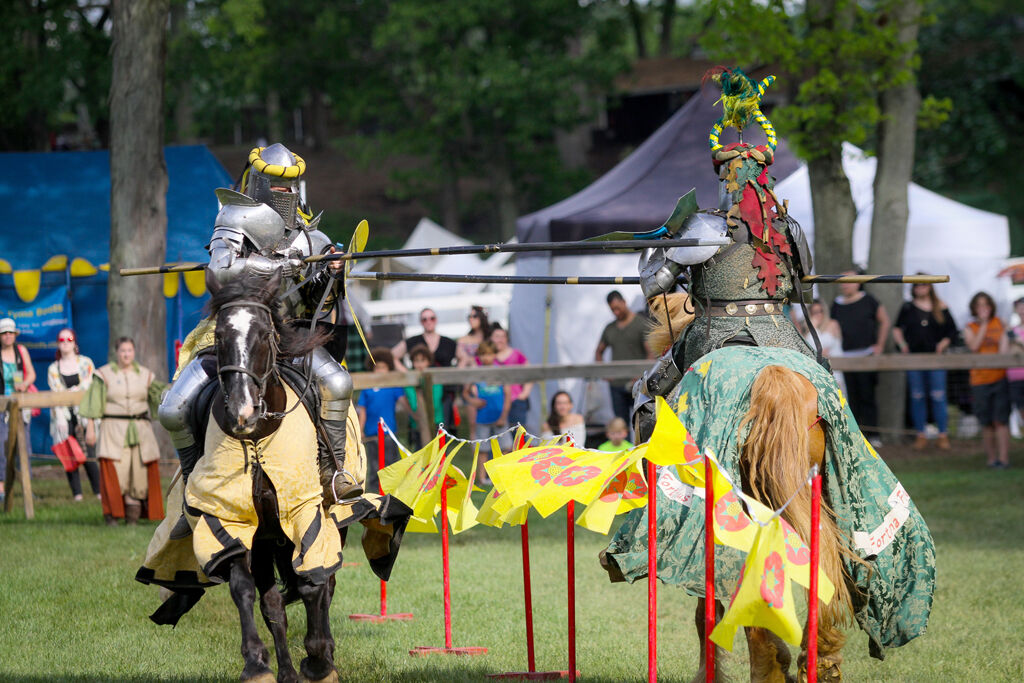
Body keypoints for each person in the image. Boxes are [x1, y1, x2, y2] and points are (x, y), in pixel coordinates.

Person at [158, 143, 358, 500]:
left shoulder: (312, 237)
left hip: (290, 335)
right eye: (281, 186)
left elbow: (317, 304)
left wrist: (331, 273)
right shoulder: (234, 221)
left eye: (293, 186)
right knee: (174, 409)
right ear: (262, 184)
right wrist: (279, 266)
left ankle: (334, 472)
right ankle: (192, 480)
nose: (289, 193)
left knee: (339, 384)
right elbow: (220, 273)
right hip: (238, 332)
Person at [80, 337, 165, 525]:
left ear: (134, 352)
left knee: (138, 474)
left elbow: (161, 396)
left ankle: (132, 518)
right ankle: (112, 515)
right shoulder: (104, 374)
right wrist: (91, 429)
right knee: (116, 473)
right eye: (123, 351)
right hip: (113, 429)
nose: (126, 354)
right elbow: (94, 403)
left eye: (129, 351)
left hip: (140, 430)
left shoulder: (145, 375)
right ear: (116, 353)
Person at [893, 282, 957, 450]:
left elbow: (952, 331)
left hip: (936, 359)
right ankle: (920, 434)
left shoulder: (941, 306)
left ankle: (942, 434)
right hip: (914, 358)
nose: (920, 288)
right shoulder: (907, 308)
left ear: (930, 287)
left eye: (924, 285)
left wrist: (943, 344)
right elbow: (897, 329)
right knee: (917, 396)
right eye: (917, 286)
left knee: (938, 396)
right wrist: (902, 345)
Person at [831, 271, 890, 446]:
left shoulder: (869, 300)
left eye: (849, 281)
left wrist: (880, 344)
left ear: (858, 283)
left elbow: (884, 321)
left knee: (867, 396)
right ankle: (855, 436)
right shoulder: (836, 304)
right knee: (850, 398)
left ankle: (873, 435)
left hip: (866, 356)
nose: (845, 284)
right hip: (844, 358)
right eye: (842, 281)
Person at [46, 327, 101, 500]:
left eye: (68, 340)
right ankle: (77, 493)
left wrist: (74, 392)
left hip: (85, 414)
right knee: (69, 454)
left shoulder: (86, 363)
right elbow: (56, 391)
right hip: (62, 416)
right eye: (61, 341)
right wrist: (69, 396)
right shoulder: (53, 368)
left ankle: (98, 491)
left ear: (75, 342)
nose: (65, 344)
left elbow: (89, 385)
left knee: (89, 453)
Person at [964, 292, 1010, 469]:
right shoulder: (970, 327)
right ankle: (991, 460)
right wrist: (983, 325)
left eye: (986, 305)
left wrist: (1005, 332)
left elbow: (1003, 353)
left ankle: (1004, 460)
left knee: (1001, 420)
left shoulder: (1000, 324)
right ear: (974, 308)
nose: (983, 309)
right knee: (986, 422)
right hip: (979, 380)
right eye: (979, 305)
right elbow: (974, 346)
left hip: (999, 377)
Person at [356, 348, 409, 492]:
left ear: (389, 368)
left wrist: (415, 414)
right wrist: (360, 430)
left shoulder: (393, 386)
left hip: (389, 434)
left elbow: (405, 403)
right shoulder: (366, 388)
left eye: (383, 367)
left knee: (391, 465)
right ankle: (374, 496)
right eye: (377, 367)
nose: (380, 371)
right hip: (372, 435)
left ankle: (393, 494)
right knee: (374, 468)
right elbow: (363, 410)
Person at [594, 291, 651, 425]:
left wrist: (641, 375)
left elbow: (651, 353)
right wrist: (603, 372)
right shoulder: (610, 328)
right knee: (621, 425)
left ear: (624, 302)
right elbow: (599, 351)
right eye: (613, 310)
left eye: (617, 308)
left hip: (637, 384)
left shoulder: (641, 323)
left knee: (642, 423)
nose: (616, 312)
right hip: (616, 385)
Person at [393, 307, 457, 424]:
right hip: (419, 389)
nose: (428, 321)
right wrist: (407, 372)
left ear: (436, 320)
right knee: (421, 425)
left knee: (442, 428)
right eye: (424, 319)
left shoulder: (448, 342)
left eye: (431, 318)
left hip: (444, 392)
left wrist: (454, 375)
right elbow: (392, 356)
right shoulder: (413, 341)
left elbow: (463, 358)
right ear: (421, 322)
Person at [0, 317, 35, 505]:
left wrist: (25, 383)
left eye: (10, 333)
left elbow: (31, 373)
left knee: (24, 447)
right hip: (1, 407)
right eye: (4, 333)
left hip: (20, 405)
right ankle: (2, 487)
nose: (7, 336)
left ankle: (26, 487)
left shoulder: (21, 351)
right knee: (1, 446)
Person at [489, 325, 532, 431]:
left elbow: (530, 373)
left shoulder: (516, 354)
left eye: (502, 336)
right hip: (495, 401)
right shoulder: (487, 356)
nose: (500, 340)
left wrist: (525, 393)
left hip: (515, 400)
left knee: (518, 433)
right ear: (491, 338)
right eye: (496, 336)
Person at [798, 300, 845, 392]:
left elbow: (820, 349)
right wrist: (812, 327)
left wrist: (813, 328)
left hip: (835, 371)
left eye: (821, 311)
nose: (819, 314)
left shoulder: (832, 324)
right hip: (817, 373)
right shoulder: (808, 331)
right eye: (815, 312)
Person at [403, 344, 444, 449]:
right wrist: (417, 414)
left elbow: (435, 400)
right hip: (417, 423)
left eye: (423, 360)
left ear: (429, 361)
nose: (419, 364)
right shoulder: (410, 380)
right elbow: (412, 402)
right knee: (420, 453)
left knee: (439, 454)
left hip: (436, 422)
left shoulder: (435, 378)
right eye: (416, 361)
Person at [1005, 298, 1024, 434]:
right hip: (1014, 377)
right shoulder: (1012, 330)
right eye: (1019, 307)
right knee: (1020, 407)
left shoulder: (1015, 334)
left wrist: (1019, 342)